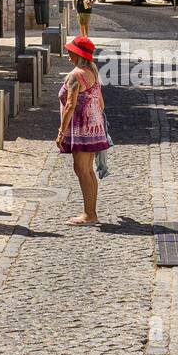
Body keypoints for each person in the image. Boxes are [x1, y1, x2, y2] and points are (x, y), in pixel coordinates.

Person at [56, 35, 109, 226]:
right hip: (94, 126)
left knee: (81, 169)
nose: (68, 53)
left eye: (70, 51)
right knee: (87, 171)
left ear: (78, 54)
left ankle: (89, 215)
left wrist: (61, 132)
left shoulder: (75, 75)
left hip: (82, 127)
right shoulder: (93, 72)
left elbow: (70, 105)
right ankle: (91, 212)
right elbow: (101, 103)